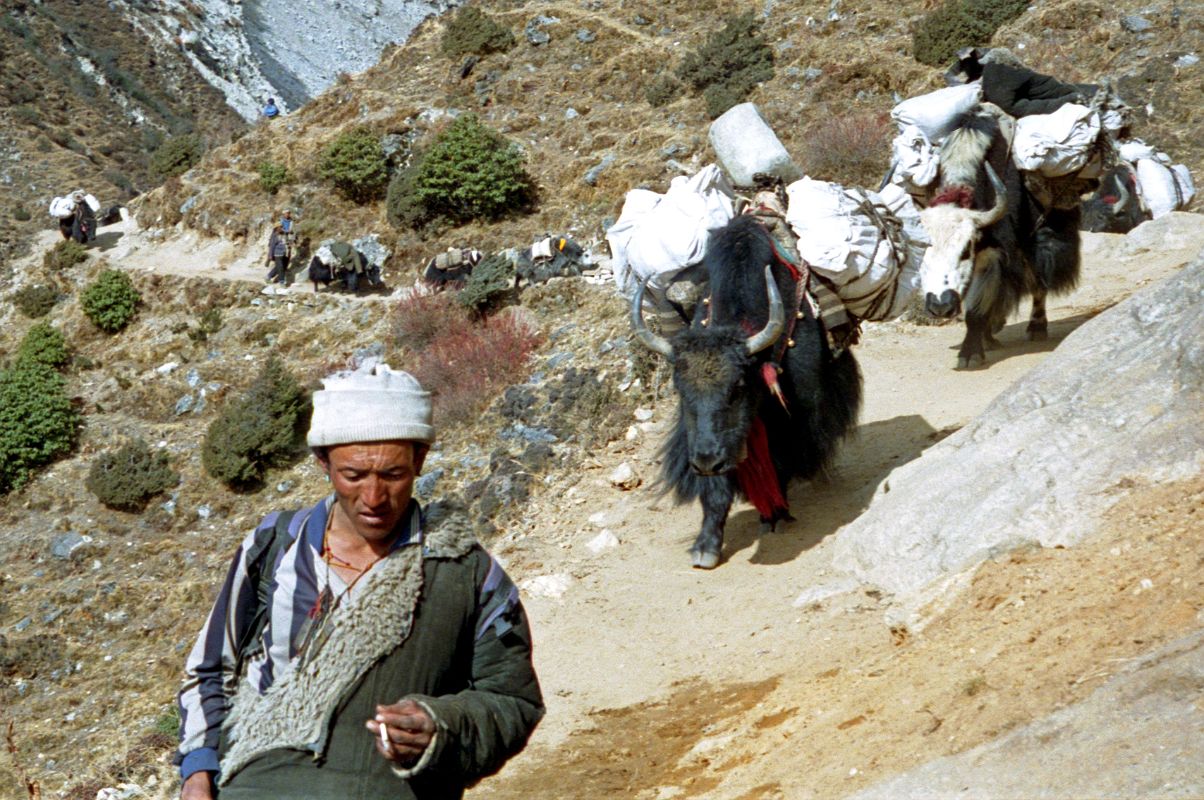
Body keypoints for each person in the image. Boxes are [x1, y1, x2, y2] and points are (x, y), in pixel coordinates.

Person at [174, 365, 544, 799]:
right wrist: (197, 773)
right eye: (354, 475)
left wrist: (439, 724)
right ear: (324, 463)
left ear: (419, 461)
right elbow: (210, 669)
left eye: (393, 475)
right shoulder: (273, 548)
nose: (373, 498)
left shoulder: (467, 573)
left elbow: (513, 702)